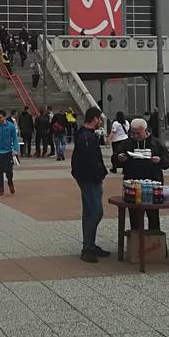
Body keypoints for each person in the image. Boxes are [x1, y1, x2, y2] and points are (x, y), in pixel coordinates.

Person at [112, 118, 169, 235]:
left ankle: (154, 243)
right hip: (132, 186)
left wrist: (159, 160)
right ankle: (136, 242)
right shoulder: (127, 143)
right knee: (134, 217)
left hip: (153, 185)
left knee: (153, 216)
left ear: (145, 131)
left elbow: (167, 161)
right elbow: (115, 159)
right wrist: (119, 158)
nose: (135, 135)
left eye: (138, 133)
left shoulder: (156, 143)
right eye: (132, 133)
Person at [71, 106, 109, 263]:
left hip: (87, 177)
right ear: (94, 119)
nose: (100, 122)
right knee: (95, 211)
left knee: (90, 211)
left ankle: (90, 244)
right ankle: (87, 247)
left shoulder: (86, 135)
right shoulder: (86, 137)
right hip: (89, 178)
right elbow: (90, 161)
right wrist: (99, 175)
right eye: (99, 119)